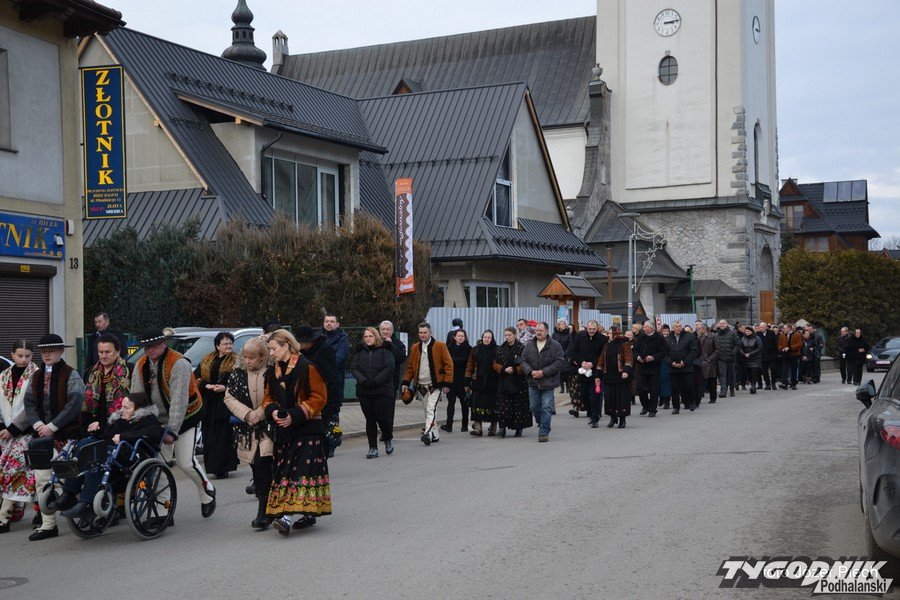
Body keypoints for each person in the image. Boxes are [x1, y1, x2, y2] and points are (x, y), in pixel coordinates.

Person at [130, 328, 216, 519]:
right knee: (159, 465)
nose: (150, 350)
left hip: (186, 417)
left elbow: (179, 401)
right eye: (146, 347)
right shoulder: (141, 364)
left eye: (154, 346)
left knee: (186, 462)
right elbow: (137, 396)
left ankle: (206, 492)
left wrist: (172, 431)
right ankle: (163, 510)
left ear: (164, 344)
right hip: (157, 420)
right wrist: (138, 421)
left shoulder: (179, 363)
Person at [263, 330, 332, 536]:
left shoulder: (307, 367)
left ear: (286, 346)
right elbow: (267, 397)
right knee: (286, 472)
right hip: (285, 432)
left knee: (299, 473)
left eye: (274, 349)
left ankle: (286, 518)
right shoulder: (273, 372)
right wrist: (273, 411)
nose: (271, 353)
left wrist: (295, 415)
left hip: (308, 430)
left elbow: (319, 397)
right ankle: (308, 514)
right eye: (269, 349)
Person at [59, 392, 164, 523]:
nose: (122, 410)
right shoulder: (119, 419)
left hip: (129, 461)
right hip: (111, 456)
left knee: (96, 462)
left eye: (127, 407)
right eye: (122, 406)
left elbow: (155, 433)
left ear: (138, 409)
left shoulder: (148, 419)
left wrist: (123, 436)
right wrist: (96, 430)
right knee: (84, 444)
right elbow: (106, 437)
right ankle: (68, 494)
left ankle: (86, 504)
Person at [23, 334, 85, 541]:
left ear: (61, 351)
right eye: (44, 351)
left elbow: (75, 403)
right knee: (42, 479)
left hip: (67, 434)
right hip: (41, 435)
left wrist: (52, 426)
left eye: (51, 351)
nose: (47, 354)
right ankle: (48, 524)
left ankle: (80, 513)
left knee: (68, 477)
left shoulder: (71, 374)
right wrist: (38, 425)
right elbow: (29, 403)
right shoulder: (36, 376)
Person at [224, 336, 274, 530]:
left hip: (268, 427)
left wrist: (259, 414)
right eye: (245, 357)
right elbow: (229, 397)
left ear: (262, 357)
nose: (247, 361)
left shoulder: (271, 372)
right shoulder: (237, 373)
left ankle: (266, 509)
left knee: (264, 464)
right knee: (255, 466)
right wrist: (247, 414)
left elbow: (275, 395)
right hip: (246, 429)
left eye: (252, 358)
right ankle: (265, 505)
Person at [0, 340, 39, 534]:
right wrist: (3, 426)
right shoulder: (4, 375)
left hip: (28, 431)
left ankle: (4, 517)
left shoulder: (37, 374)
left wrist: (15, 429)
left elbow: (33, 406)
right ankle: (38, 510)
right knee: (22, 473)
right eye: (20, 355)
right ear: (12, 355)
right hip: (6, 432)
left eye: (27, 356)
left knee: (13, 470)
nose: (24, 359)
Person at [195, 332, 238, 479]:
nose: (229, 346)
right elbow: (196, 377)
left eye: (230, 343)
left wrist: (225, 388)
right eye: (225, 343)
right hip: (208, 402)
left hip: (225, 402)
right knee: (209, 435)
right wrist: (206, 386)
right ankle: (212, 467)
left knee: (223, 435)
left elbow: (240, 381)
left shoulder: (236, 360)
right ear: (217, 345)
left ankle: (223, 468)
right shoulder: (207, 359)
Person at [402, 323, 453, 446]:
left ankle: (427, 433)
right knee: (427, 410)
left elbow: (449, 365)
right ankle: (435, 434)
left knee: (431, 408)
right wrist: (406, 382)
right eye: (420, 332)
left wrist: (447, 384)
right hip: (421, 385)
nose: (422, 335)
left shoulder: (440, 346)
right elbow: (410, 367)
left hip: (435, 385)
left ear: (430, 333)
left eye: (425, 332)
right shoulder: (415, 347)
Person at [296, 325, 341, 458]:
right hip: (306, 396)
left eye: (302, 343)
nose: (300, 345)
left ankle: (324, 453)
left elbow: (331, 377)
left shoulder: (324, 350)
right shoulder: (300, 352)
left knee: (323, 429)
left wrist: (333, 403)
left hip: (324, 396)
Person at [350, 327, 396, 458]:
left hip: (382, 390)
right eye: (366, 337)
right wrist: (363, 381)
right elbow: (354, 368)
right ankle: (373, 448)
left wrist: (376, 381)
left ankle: (387, 438)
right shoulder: (360, 351)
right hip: (364, 390)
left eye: (370, 336)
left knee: (382, 417)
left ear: (376, 337)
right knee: (370, 419)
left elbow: (389, 367)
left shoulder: (385, 350)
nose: (368, 339)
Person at [520, 322, 564, 442]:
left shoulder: (555, 345)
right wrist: (530, 371)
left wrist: (543, 372)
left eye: (541, 330)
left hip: (548, 381)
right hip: (533, 381)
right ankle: (541, 421)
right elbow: (523, 360)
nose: (538, 333)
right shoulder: (529, 345)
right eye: (537, 330)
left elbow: (559, 362)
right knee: (534, 406)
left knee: (546, 407)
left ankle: (544, 431)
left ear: (547, 331)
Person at [81, 333, 131, 436]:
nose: (103, 356)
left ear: (118, 351)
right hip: (94, 429)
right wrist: (88, 426)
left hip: (119, 431)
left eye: (108, 352)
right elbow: (86, 405)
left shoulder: (129, 371)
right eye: (100, 352)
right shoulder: (91, 372)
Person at [493, 327, 532, 439]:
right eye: (505, 335)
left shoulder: (522, 348)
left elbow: (526, 364)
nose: (507, 337)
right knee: (503, 405)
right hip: (504, 380)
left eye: (509, 335)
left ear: (515, 335)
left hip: (518, 381)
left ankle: (519, 428)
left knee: (518, 406)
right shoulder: (500, 349)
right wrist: (502, 369)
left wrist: (515, 370)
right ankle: (502, 428)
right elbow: (494, 364)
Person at [567, 320, 607, 423]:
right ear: (586, 328)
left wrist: (592, 363)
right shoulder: (580, 336)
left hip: (596, 372)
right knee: (584, 395)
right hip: (583, 371)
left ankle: (595, 417)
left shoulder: (603, 339)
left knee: (595, 396)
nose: (592, 331)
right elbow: (574, 351)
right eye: (590, 329)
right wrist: (581, 362)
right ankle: (590, 412)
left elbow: (603, 355)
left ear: (597, 329)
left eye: (594, 329)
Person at [322, 314, 350, 457]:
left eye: (332, 321)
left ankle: (332, 443)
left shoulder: (342, 340)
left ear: (337, 324)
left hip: (334, 384)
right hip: (319, 382)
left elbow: (339, 359)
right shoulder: (318, 337)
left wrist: (321, 364)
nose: (329, 324)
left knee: (333, 416)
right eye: (327, 321)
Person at [597, 325, 633, 428]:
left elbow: (629, 358)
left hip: (621, 376)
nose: (608, 335)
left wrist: (626, 370)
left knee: (621, 399)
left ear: (615, 334)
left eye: (610, 333)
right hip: (608, 376)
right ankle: (613, 417)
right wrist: (598, 374)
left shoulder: (624, 344)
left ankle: (622, 419)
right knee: (609, 398)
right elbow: (601, 360)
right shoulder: (607, 345)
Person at [465, 330, 499, 437]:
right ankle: (478, 429)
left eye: (489, 337)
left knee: (492, 405)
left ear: (492, 339)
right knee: (476, 405)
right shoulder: (475, 349)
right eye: (485, 337)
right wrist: (467, 381)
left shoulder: (497, 349)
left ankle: (493, 429)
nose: (486, 339)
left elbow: (498, 365)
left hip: (492, 382)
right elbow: (470, 365)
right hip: (477, 381)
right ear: (482, 337)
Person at [633, 321, 668, 417]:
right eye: (643, 327)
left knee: (654, 390)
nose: (643, 328)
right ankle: (645, 405)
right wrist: (638, 357)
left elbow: (663, 352)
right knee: (640, 388)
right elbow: (635, 349)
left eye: (645, 327)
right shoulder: (641, 337)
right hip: (641, 367)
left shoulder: (660, 338)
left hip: (654, 367)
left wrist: (653, 357)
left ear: (651, 328)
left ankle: (652, 409)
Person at [441, 329, 472, 433]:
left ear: (465, 337)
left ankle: (464, 425)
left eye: (462, 336)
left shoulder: (468, 348)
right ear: (454, 337)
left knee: (464, 403)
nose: (460, 338)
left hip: (463, 379)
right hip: (451, 379)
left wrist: (452, 360)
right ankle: (449, 425)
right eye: (458, 336)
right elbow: (445, 362)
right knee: (451, 402)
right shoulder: (449, 347)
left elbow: (465, 361)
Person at [666, 321, 698, 414]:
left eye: (680, 326)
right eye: (676, 326)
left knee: (688, 385)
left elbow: (693, 351)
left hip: (686, 367)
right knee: (674, 388)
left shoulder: (689, 337)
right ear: (673, 328)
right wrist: (671, 363)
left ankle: (691, 401)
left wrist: (684, 362)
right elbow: (665, 353)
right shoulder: (668, 339)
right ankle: (676, 407)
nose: (678, 328)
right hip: (673, 367)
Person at [379, 320, 407, 396]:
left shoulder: (398, 343)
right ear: (380, 331)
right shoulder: (375, 342)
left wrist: (391, 345)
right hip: (376, 381)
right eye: (383, 329)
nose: (385, 331)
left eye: (388, 329)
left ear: (392, 331)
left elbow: (401, 358)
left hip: (392, 381)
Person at [715, 320, 739, 398]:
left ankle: (732, 389)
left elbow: (738, 344)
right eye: (720, 324)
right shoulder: (717, 334)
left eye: (723, 323)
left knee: (731, 375)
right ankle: (723, 391)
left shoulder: (732, 333)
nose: (721, 325)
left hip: (731, 358)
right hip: (721, 358)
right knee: (722, 375)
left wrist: (733, 352)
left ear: (726, 324)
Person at [696, 324, 719, 404]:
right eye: (698, 329)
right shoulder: (698, 337)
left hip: (710, 362)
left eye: (700, 329)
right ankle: (698, 399)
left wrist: (709, 359)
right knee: (700, 381)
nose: (699, 330)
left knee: (711, 381)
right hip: (700, 361)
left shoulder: (713, 336)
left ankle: (713, 397)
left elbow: (717, 350)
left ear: (704, 328)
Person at [777, 324, 803, 390]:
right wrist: (781, 348)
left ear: (789, 328)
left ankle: (793, 384)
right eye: (783, 328)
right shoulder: (782, 335)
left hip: (794, 354)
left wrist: (790, 348)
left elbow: (799, 344)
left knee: (794, 369)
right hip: (785, 354)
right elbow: (779, 344)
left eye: (785, 328)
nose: (783, 329)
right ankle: (784, 384)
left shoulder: (797, 335)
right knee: (785, 369)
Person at [739, 325, 763, 394]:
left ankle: (753, 386)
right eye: (746, 331)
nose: (746, 332)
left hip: (755, 358)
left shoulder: (757, 338)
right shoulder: (743, 338)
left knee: (754, 372)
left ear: (752, 331)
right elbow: (740, 347)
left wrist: (751, 354)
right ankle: (752, 384)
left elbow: (760, 347)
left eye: (748, 331)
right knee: (749, 373)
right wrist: (743, 353)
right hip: (746, 358)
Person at [551, 320, 572, 393]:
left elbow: (570, 344)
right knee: (560, 372)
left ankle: (568, 387)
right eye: (561, 324)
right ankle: (562, 387)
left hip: (566, 355)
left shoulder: (568, 334)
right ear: (558, 326)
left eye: (564, 324)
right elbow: (552, 344)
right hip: (557, 355)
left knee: (567, 372)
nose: (563, 325)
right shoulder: (555, 334)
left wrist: (566, 353)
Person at [757, 322, 777, 391]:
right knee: (764, 371)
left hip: (772, 355)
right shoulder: (758, 334)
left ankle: (773, 383)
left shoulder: (771, 333)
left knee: (773, 369)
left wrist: (776, 353)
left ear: (766, 327)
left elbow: (774, 343)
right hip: (763, 355)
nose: (761, 329)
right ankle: (767, 384)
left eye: (762, 327)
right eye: (760, 327)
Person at [658, 325, 672, 409]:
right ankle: (661, 398)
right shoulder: (658, 339)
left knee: (666, 383)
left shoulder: (671, 339)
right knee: (659, 382)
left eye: (667, 331)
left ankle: (667, 401)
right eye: (664, 331)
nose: (666, 332)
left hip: (667, 363)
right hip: (659, 362)